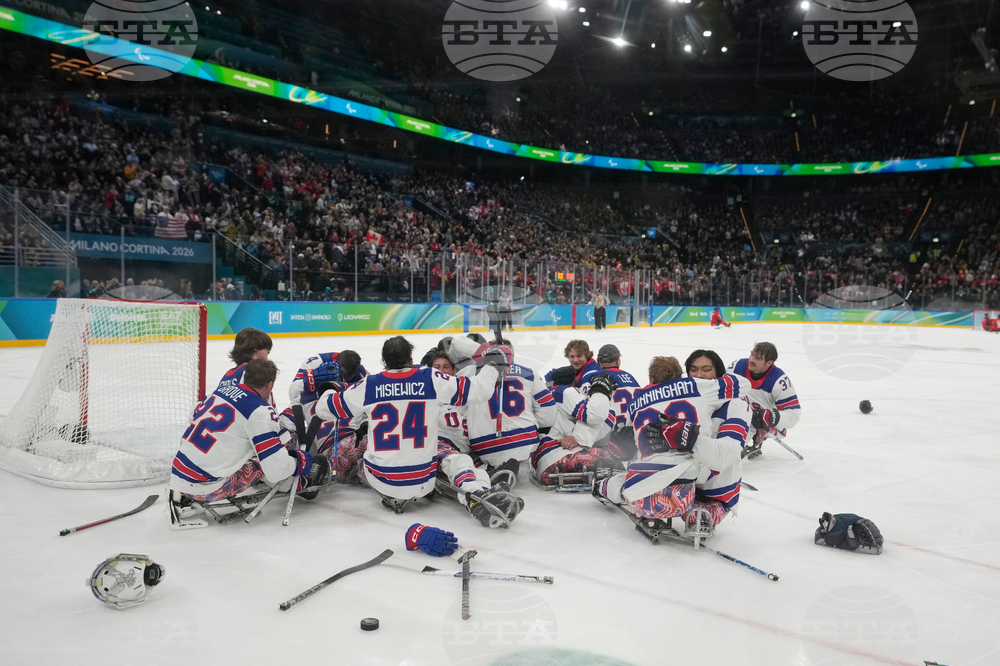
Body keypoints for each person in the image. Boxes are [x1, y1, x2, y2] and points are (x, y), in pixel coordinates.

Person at [315, 336, 522, 528]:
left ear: (384, 361)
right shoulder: (432, 379)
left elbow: (324, 410)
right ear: (411, 357)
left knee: (362, 442)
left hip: (382, 480)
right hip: (424, 479)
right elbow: (480, 389)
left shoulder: (369, 385)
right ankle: (476, 490)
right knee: (452, 457)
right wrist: (494, 364)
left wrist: (330, 389)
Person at [593, 356, 752, 543]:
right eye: (694, 370)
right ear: (682, 376)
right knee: (706, 463)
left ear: (651, 379)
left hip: (639, 495)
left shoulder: (637, 399)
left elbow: (633, 453)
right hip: (683, 491)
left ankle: (603, 486)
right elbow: (743, 384)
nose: (699, 375)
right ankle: (706, 511)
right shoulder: (700, 388)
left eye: (705, 369)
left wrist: (620, 449)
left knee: (633, 477)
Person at [166, 359, 330, 529]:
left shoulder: (218, 392)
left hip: (178, 476)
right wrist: (299, 462)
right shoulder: (260, 411)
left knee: (254, 450)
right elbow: (275, 470)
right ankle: (304, 486)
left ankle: (184, 494)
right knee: (263, 464)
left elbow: (195, 419)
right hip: (206, 489)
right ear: (270, 384)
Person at [446, 336, 556, 489]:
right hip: (527, 444)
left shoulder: (468, 373)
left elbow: (456, 342)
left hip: (485, 447)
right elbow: (548, 415)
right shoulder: (529, 373)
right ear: (513, 355)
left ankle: (483, 473)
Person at [280, 350, 367, 482]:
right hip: (346, 445)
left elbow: (287, 419)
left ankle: (317, 466)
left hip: (334, 451)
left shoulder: (304, 396)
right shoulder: (353, 392)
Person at [530, 367, 622, 488]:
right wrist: (601, 391)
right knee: (615, 460)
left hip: (541, 464)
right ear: (574, 380)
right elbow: (598, 414)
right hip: (562, 458)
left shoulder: (544, 394)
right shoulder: (565, 391)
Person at [727, 342, 802, 459]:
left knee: (728, 451)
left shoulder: (779, 380)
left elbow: (794, 415)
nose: (751, 359)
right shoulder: (736, 366)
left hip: (764, 422)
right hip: (740, 412)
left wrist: (770, 417)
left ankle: (759, 434)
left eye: (757, 358)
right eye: (751, 354)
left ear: (769, 363)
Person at [594, 344, 642, 461]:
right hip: (632, 437)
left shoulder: (595, 378)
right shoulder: (632, 378)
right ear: (618, 361)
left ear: (597, 361)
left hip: (606, 440)